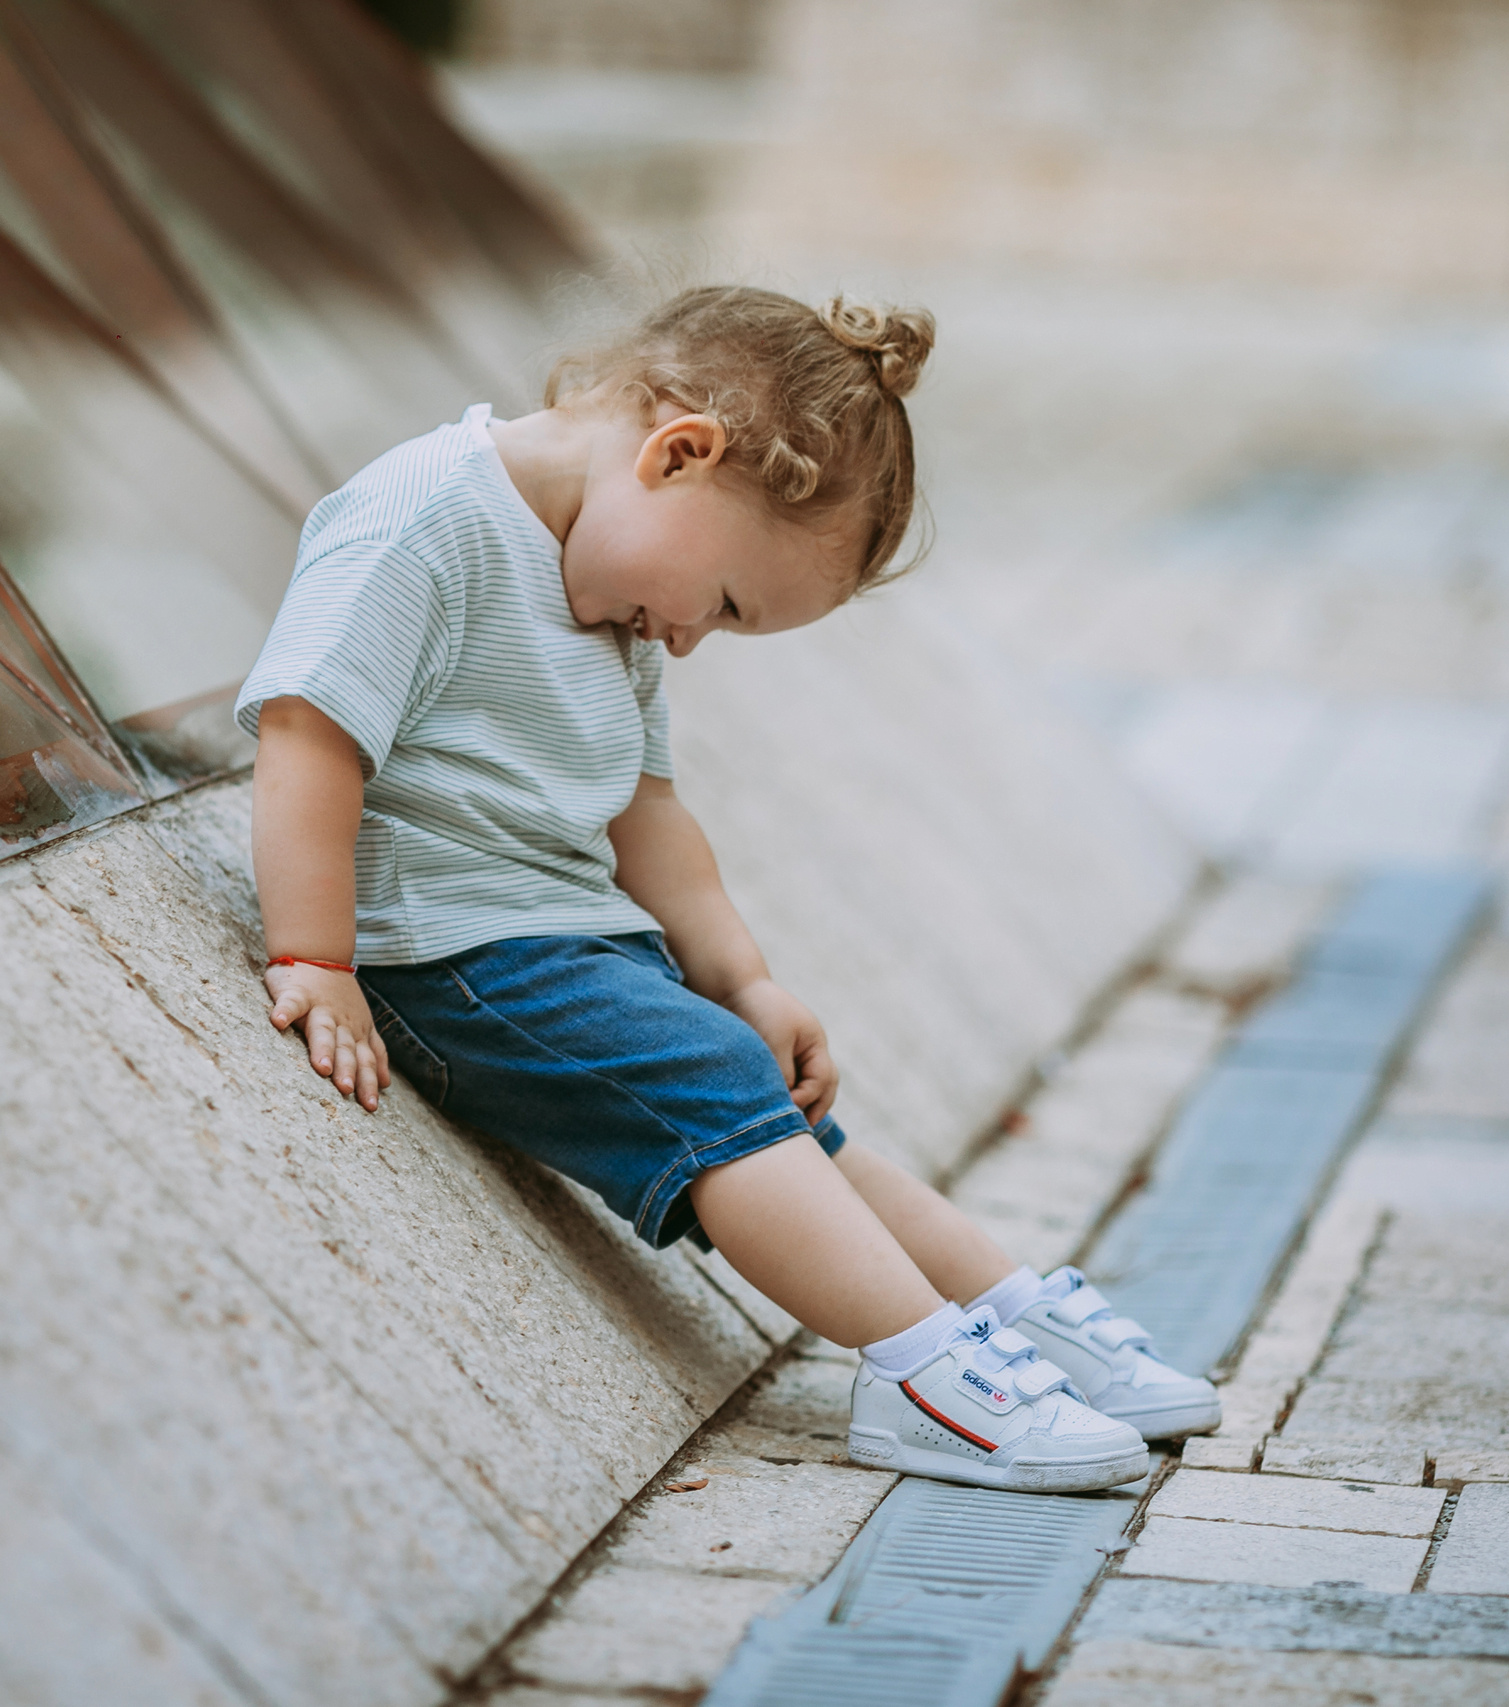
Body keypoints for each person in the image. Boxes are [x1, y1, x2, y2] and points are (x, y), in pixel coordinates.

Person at [236, 285, 1218, 1493]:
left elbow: (645, 811)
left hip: (563, 942)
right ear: (677, 454)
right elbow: (309, 737)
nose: (689, 638)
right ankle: (926, 1377)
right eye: (727, 604)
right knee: (714, 1088)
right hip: (447, 951)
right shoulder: (423, 517)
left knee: (782, 1120)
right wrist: (317, 958)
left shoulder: (614, 595)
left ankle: (1006, 1314)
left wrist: (743, 979)